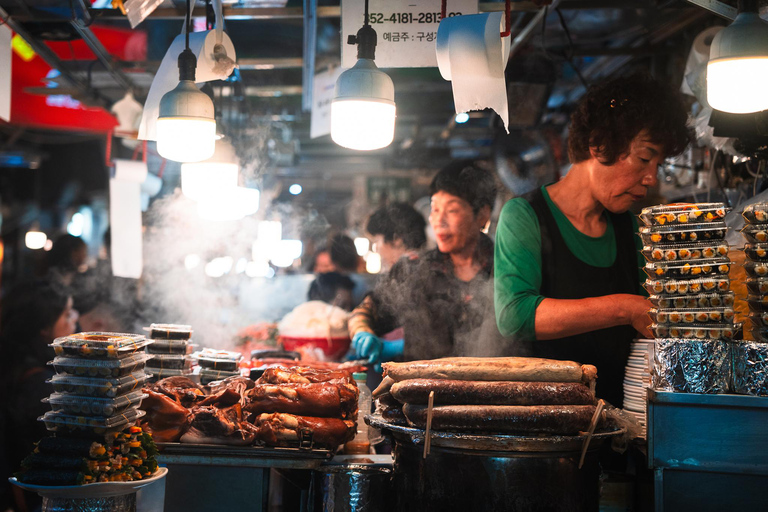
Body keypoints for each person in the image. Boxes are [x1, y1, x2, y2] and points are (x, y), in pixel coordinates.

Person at [494, 73, 689, 408]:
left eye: (659, 164)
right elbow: (515, 316)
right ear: (599, 144)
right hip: (541, 426)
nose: (651, 177)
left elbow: (651, 320)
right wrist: (625, 308)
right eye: (645, 158)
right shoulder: (525, 216)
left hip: (619, 427)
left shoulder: (630, 229)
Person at [350, 160, 506, 363]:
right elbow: (363, 312)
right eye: (434, 209)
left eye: (451, 210)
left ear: (482, 215)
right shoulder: (414, 269)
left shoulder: (507, 269)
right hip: (421, 393)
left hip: (493, 391)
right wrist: (363, 333)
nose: (438, 221)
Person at [0, 280, 78, 510]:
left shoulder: (15, 365)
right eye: (66, 314)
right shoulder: (40, 384)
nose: (74, 319)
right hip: (42, 500)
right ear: (43, 328)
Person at [366, 202, 427, 270]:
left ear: (396, 239)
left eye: (377, 240)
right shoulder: (424, 265)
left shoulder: (405, 271)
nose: (376, 249)